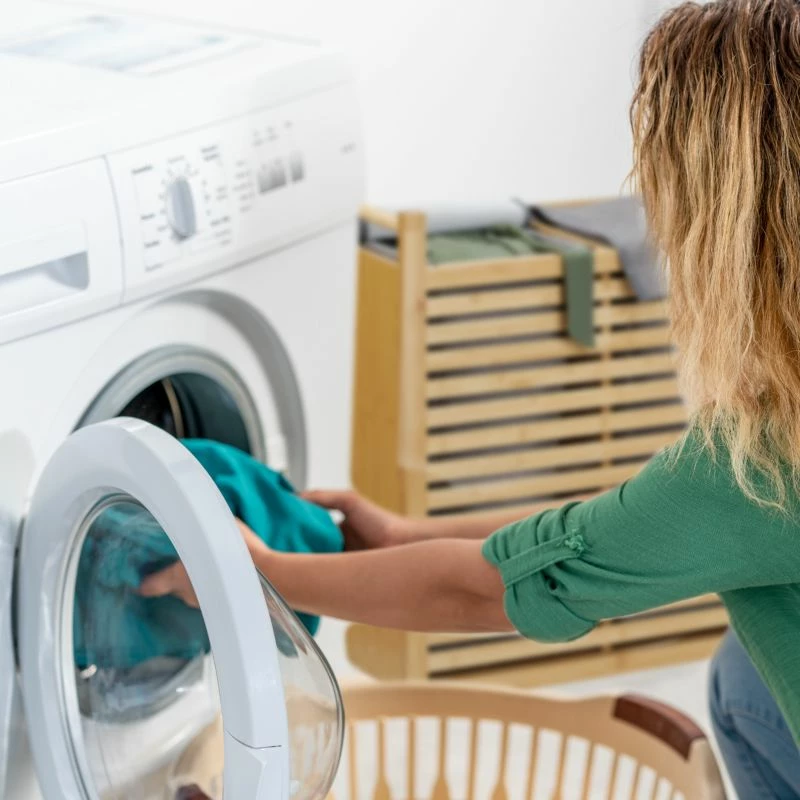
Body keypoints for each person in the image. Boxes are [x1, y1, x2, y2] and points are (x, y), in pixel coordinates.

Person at [141, 1, 800, 795]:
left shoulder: (763, 463)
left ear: (726, 217)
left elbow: (480, 589)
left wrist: (256, 572)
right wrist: (407, 533)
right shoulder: (756, 459)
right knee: (745, 669)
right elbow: (632, 522)